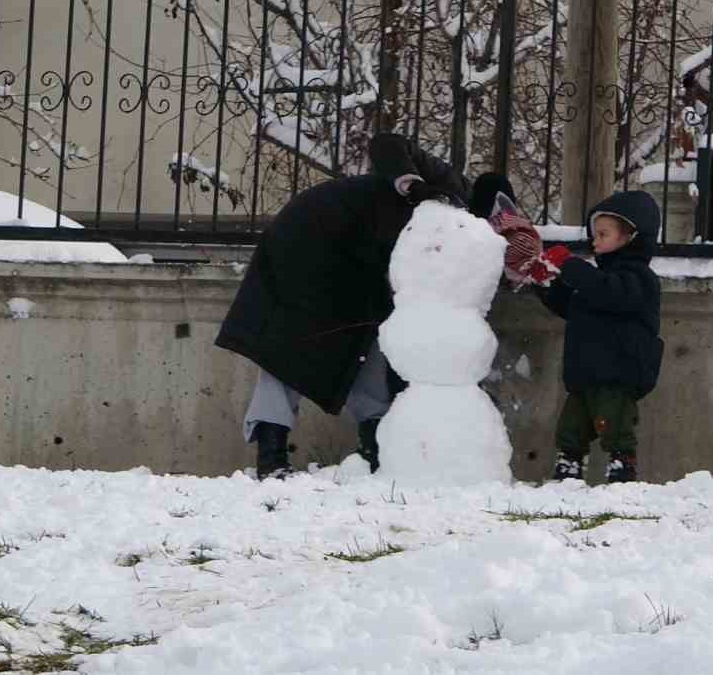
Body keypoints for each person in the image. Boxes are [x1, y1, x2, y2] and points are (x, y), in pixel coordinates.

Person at [217, 133, 477, 479]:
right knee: (289, 347)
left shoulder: (462, 234)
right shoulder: (450, 187)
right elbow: (387, 143)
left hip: (353, 263)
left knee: (368, 346)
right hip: (311, 240)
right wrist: (410, 183)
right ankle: (272, 456)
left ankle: (374, 450)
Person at [520, 190, 663, 484]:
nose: (594, 240)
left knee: (614, 425)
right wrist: (545, 283)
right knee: (571, 426)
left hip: (618, 373)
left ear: (631, 236)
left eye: (603, 234)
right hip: (586, 372)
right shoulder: (596, 279)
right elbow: (571, 306)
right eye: (594, 234)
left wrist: (570, 265)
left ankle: (622, 469)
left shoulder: (638, 279)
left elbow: (609, 293)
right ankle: (568, 470)